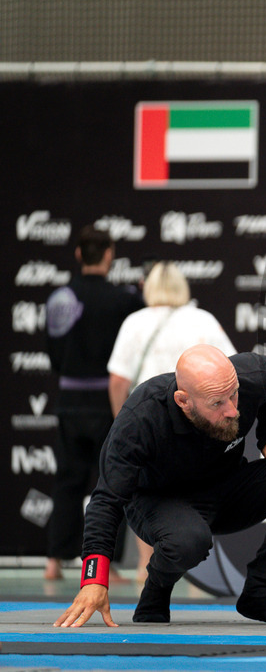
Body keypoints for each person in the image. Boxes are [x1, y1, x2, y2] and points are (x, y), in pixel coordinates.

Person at [54, 345, 266, 628]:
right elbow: (105, 501)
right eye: (217, 403)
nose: (233, 410)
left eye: (234, 395)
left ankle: (258, 591)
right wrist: (94, 580)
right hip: (157, 502)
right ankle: (157, 588)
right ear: (183, 401)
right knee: (189, 541)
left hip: (224, 487)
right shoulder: (140, 419)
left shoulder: (253, 376)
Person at [106, 261, 237, 581]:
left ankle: (143, 568)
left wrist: (122, 425)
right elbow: (232, 366)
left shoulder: (135, 322)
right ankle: (198, 573)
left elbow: (118, 381)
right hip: (197, 423)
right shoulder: (202, 319)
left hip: (149, 424)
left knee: (146, 489)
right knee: (200, 486)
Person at [44, 225, 145, 581]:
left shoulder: (60, 298)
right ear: (109, 255)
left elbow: (54, 356)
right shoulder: (126, 300)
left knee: (67, 480)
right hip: (108, 402)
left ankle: (54, 562)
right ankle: (108, 566)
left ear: (77, 255)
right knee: (111, 482)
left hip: (69, 400)